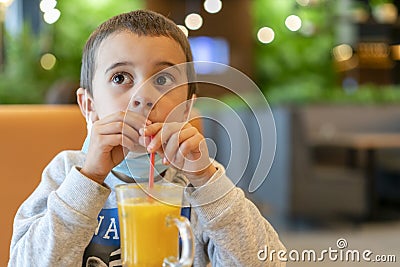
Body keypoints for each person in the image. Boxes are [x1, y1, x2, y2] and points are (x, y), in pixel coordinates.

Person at [8, 10, 285, 267]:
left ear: (186, 108)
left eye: (163, 80)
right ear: (89, 107)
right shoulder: (67, 173)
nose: (143, 96)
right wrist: (89, 178)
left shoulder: (201, 183)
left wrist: (207, 182)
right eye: (120, 78)